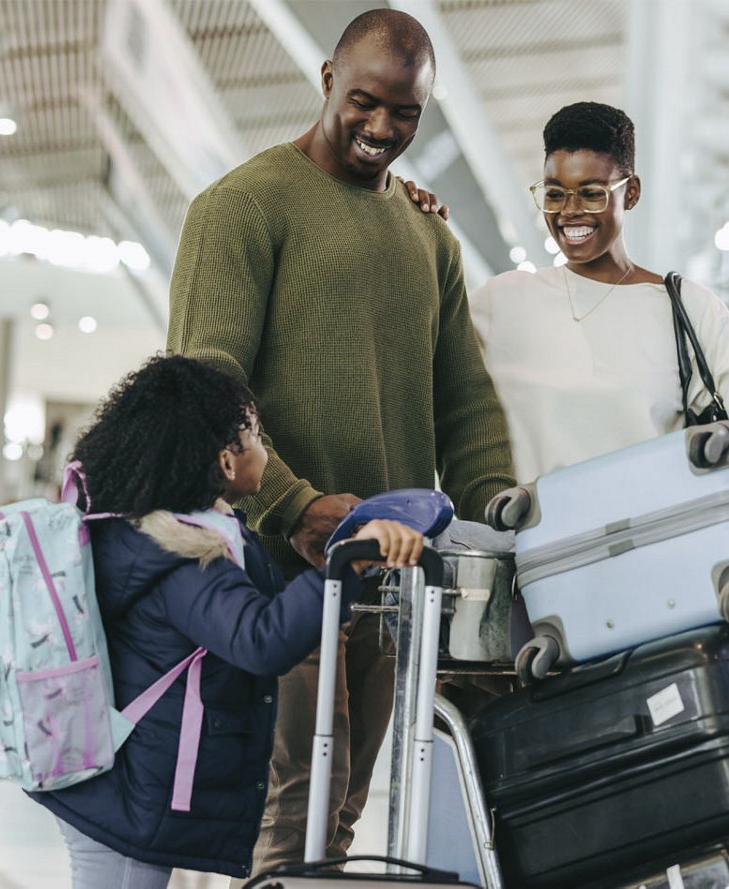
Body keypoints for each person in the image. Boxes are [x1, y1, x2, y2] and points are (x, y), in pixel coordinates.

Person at [164, 7, 516, 875]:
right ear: (327, 80)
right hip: (277, 575)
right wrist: (296, 503)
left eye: (406, 113)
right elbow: (204, 388)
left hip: (391, 578)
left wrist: (504, 508)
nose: (382, 128)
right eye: (365, 102)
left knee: (344, 806)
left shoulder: (428, 235)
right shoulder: (241, 207)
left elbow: (464, 401)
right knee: (284, 805)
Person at [28, 354, 425, 886]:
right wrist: (346, 563)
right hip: (129, 794)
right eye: (257, 435)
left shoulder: (163, 533)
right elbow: (259, 638)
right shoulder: (183, 555)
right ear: (227, 462)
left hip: (122, 776)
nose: (266, 447)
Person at [469, 102, 729, 482]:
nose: (570, 212)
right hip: (532, 538)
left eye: (591, 194)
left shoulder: (687, 309)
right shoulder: (501, 302)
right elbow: (411, 370)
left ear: (631, 193)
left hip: (653, 537)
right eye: (555, 194)